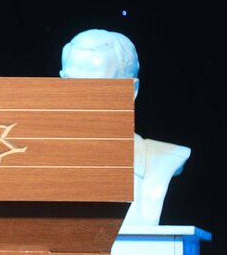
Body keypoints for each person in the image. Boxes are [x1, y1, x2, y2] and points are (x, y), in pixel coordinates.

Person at [59, 29, 190, 228]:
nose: (78, 98)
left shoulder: (165, 162)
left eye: (95, 87)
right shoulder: (34, 164)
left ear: (131, 91)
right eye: (70, 84)